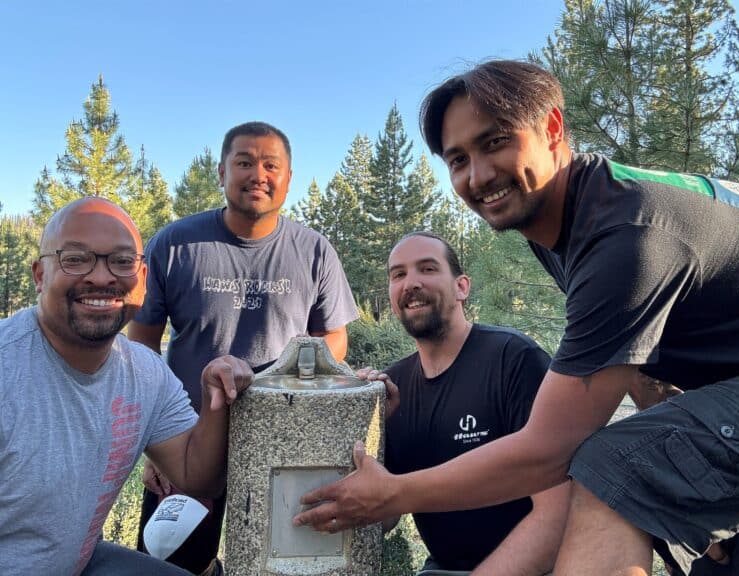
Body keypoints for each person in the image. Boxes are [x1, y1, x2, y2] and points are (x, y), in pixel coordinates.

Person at [294, 60, 739, 576]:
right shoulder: (562, 223)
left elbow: (549, 452)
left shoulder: (623, 234)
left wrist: (394, 496)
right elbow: (636, 354)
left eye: (495, 142)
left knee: (614, 467)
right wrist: (688, 474)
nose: (477, 176)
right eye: (457, 159)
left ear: (553, 128)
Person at [128, 121, 359, 575]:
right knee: (169, 566)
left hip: (282, 444)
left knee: (276, 566)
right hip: (187, 444)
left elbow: (335, 338)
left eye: (271, 165)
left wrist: (290, 366)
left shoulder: (314, 251)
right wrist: (154, 446)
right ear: (221, 172)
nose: (259, 174)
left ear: (288, 178)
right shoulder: (174, 246)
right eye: (245, 162)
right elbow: (141, 349)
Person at [0, 197, 253, 576]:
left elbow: (197, 475)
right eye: (75, 258)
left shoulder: (143, 372)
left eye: (121, 261)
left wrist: (215, 396)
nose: (101, 277)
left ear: (143, 280)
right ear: (39, 275)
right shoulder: (8, 367)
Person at [372, 231, 568, 574]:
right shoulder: (391, 388)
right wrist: (366, 429)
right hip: (441, 567)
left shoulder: (514, 360)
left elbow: (557, 512)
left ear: (462, 287)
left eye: (428, 269)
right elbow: (384, 517)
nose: (411, 283)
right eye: (398, 274)